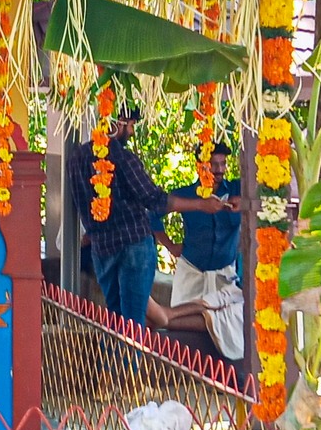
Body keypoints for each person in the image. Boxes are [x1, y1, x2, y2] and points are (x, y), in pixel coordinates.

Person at [67, 110, 230, 328]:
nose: (132, 132)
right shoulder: (123, 158)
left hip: (102, 248)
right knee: (134, 321)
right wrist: (201, 204)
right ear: (119, 122)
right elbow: (155, 200)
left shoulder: (76, 158)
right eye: (131, 125)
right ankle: (130, 363)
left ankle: (113, 362)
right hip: (133, 245)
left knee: (114, 319)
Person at [150, 143, 246, 360]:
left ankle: (159, 317)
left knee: (225, 324)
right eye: (214, 164)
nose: (220, 169)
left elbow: (265, 193)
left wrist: (246, 202)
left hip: (225, 276)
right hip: (192, 272)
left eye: (223, 164)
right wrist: (170, 246)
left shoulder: (237, 190)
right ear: (200, 166)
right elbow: (153, 214)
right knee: (185, 332)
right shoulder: (185, 195)